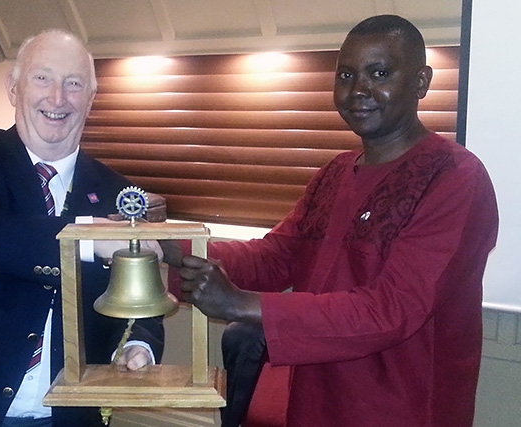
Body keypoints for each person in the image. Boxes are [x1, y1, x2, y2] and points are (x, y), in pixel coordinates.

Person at [164, 14, 499, 426]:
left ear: (421, 83)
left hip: (404, 408)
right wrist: (172, 249)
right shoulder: (335, 172)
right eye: (346, 74)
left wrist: (240, 303)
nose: (359, 90)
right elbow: (275, 257)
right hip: (315, 397)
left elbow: (391, 309)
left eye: (379, 73)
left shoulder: (454, 177)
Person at [0, 29, 165, 427]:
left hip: (69, 417)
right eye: (42, 78)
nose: (57, 98)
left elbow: (140, 299)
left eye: (74, 84)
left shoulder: (115, 191)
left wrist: (138, 343)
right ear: (14, 87)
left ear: (92, 99)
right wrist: (86, 236)